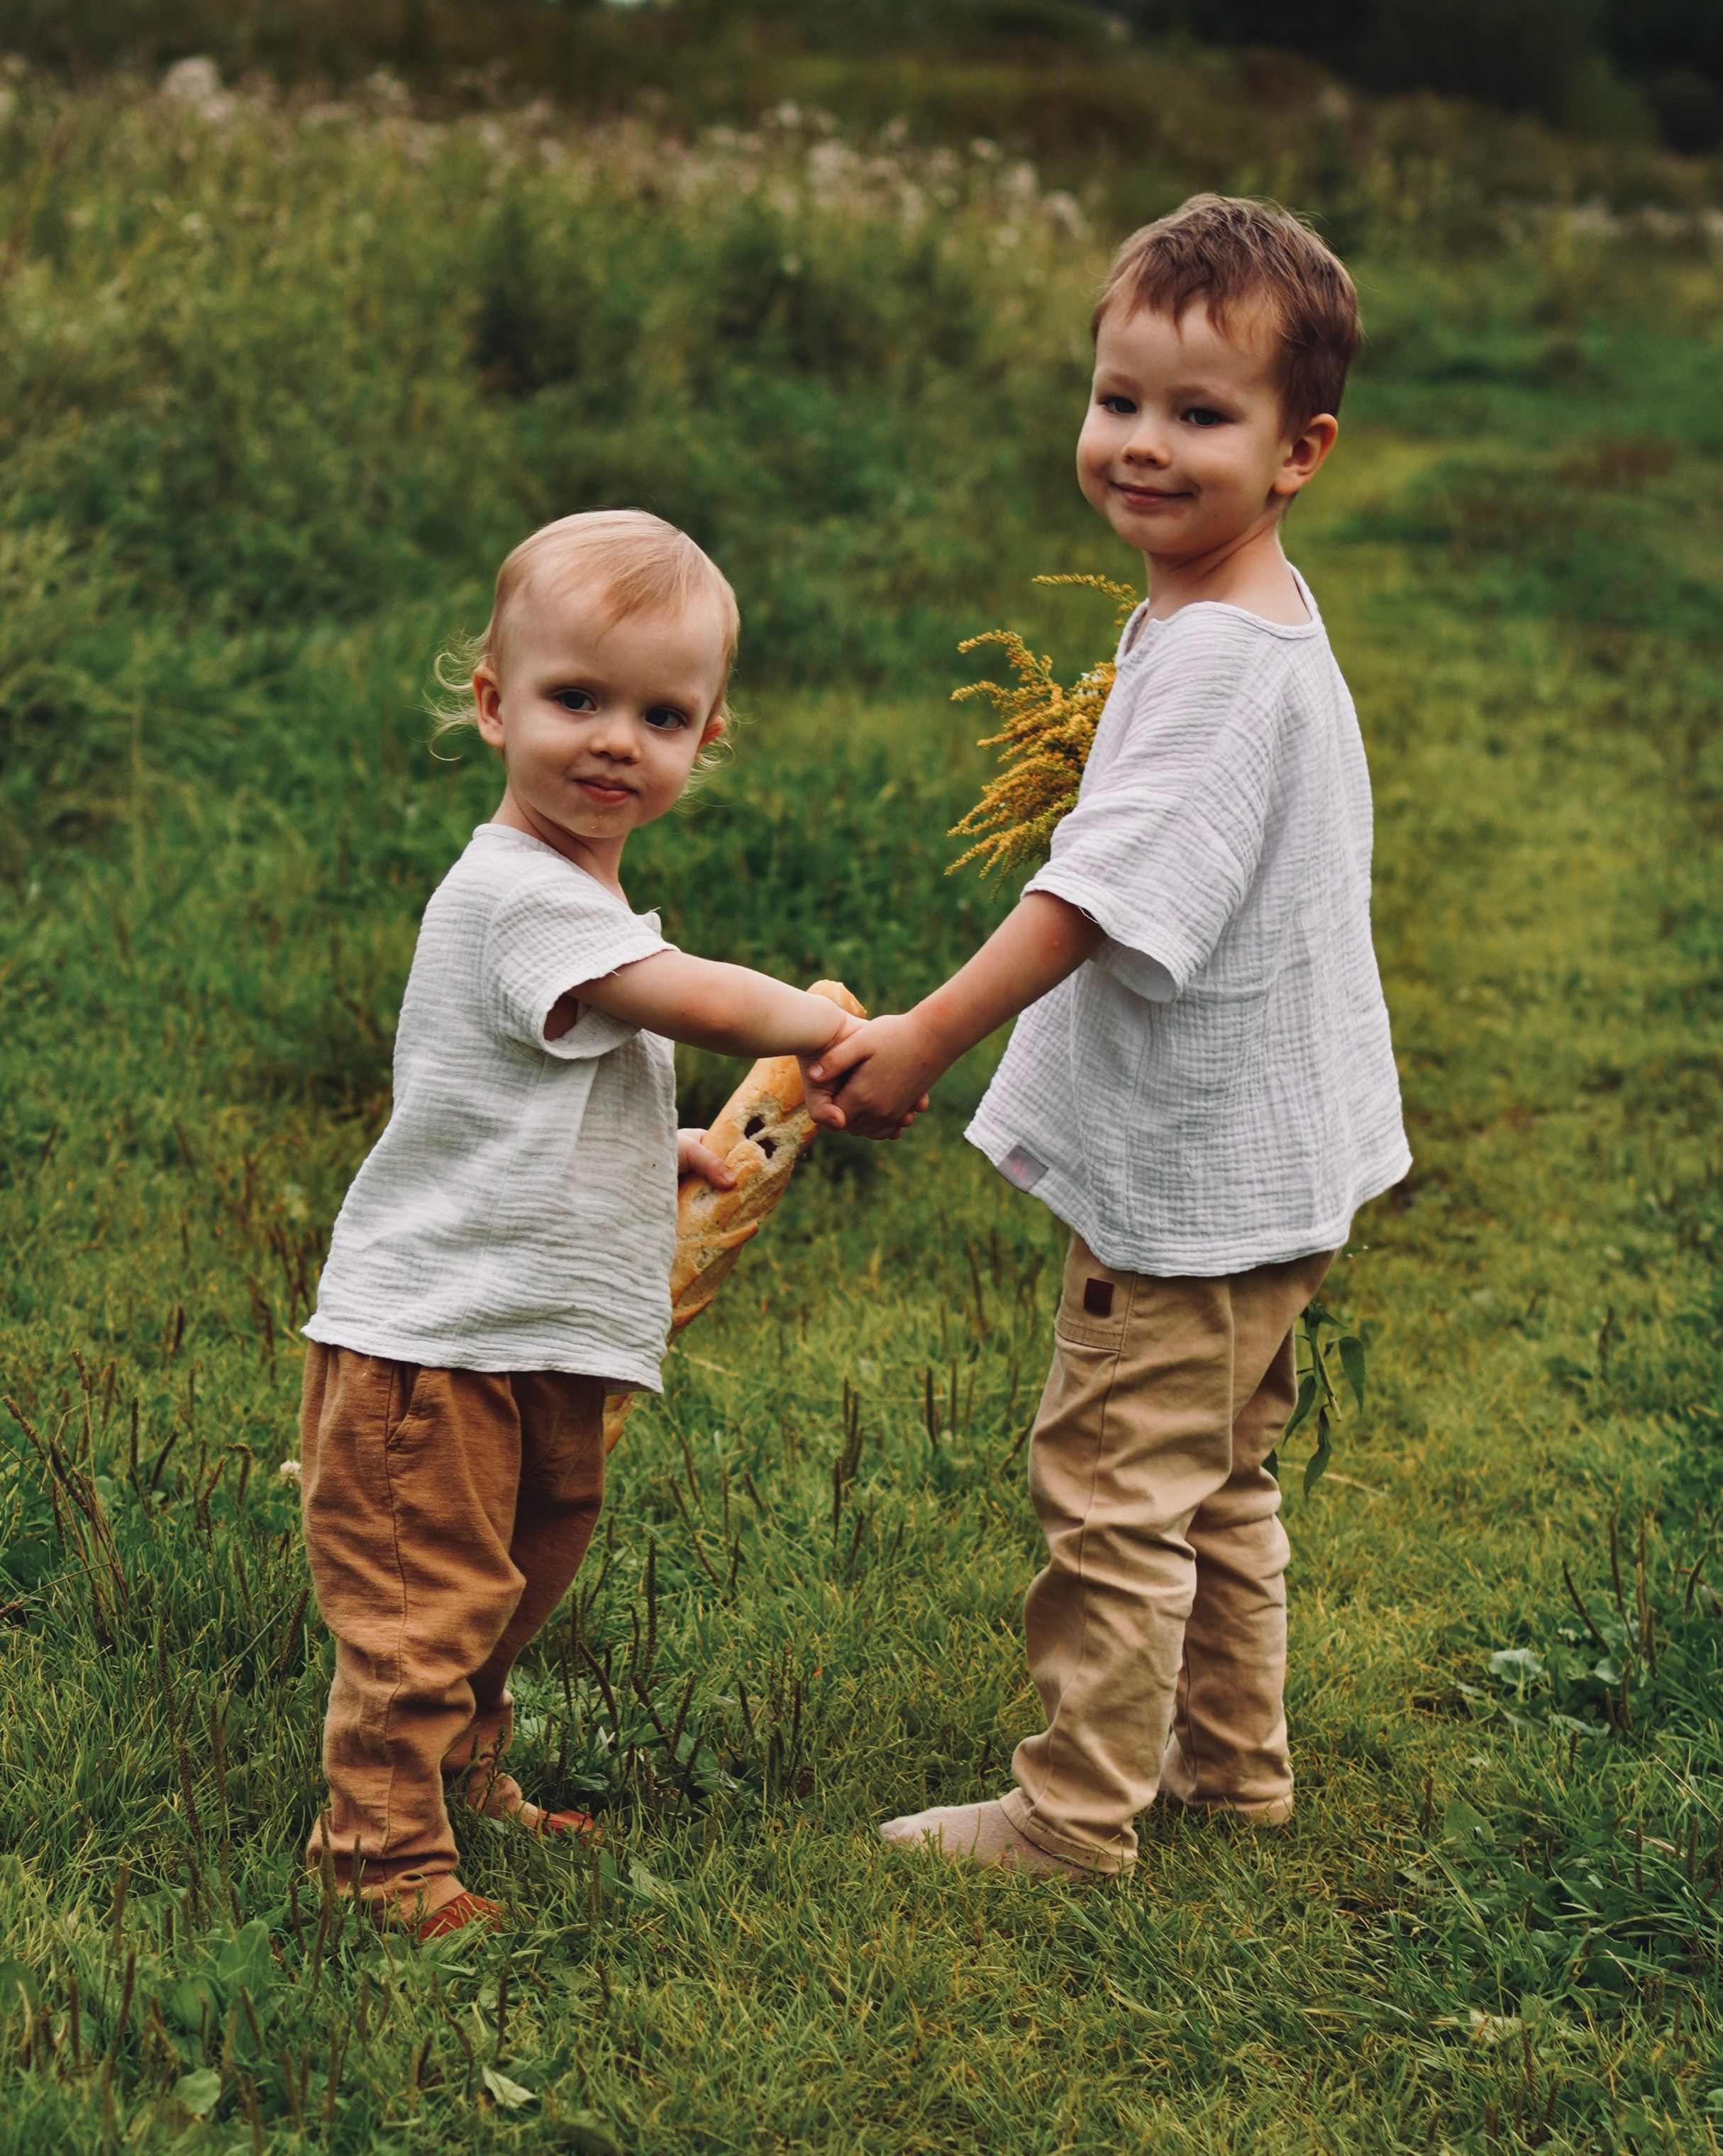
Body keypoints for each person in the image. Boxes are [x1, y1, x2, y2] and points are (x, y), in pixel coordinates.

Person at [806, 196, 1410, 1877]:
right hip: (1270, 1165)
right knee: (1219, 1484)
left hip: (1191, 1182)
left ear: (1302, 450)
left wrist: (928, 1034)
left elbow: (1098, 893)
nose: (1143, 445)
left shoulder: (1221, 658)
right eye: (1119, 399)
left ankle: (1073, 1816)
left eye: (1201, 415)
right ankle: (1231, 1769)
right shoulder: (1236, 615)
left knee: (1114, 1491)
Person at [299, 509, 868, 1940]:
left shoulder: (580, 899)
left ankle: (464, 1771)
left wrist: (655, 1137)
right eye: (576, 699)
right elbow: (684, 996)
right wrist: (831, 1026)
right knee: (427, 1606)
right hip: (434, 1341)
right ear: (496, 703)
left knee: (512, 1579)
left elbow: (553, 1071)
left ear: (705, 737)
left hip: (532, 1327)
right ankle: (378, 1861)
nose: (616, 738)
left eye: (660, 713)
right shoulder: (516, 893)